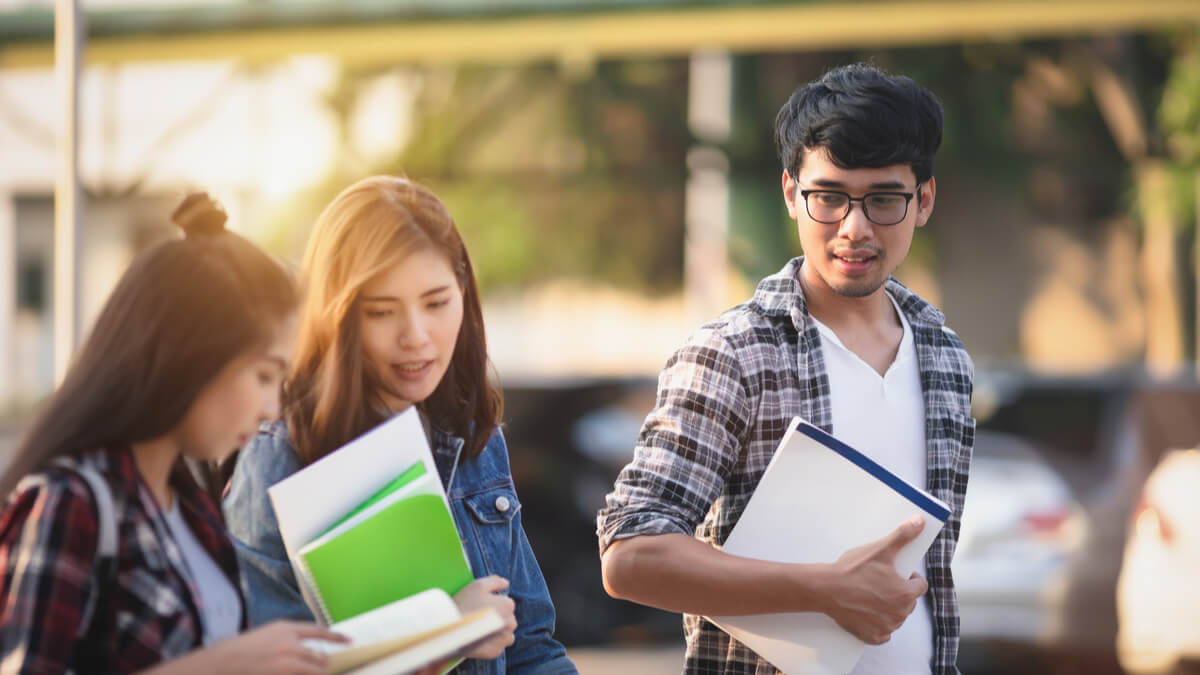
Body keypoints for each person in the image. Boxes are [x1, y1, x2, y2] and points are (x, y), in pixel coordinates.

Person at [597, 63, 976, 675]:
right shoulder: (734, 353)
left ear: (923, 199)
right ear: (790, 194)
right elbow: (630, 553)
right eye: (828, 197)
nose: (854, 229)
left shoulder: (946, 358)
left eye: (883, 199)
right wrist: (823, 589)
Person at [224, 176, 577, 674]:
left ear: (464, 296)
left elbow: (532, 648)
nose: (415, 336)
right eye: (381, 312)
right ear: (337, 317)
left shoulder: (473, 436)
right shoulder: (279, 458)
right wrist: (444, 631)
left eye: (436, 303)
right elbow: (267, 664)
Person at [0, 194, 349, 675]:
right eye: (264, 377)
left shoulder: (190, 508)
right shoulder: (72, 501)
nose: (273, 408)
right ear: (193, 357)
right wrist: (223, 664)